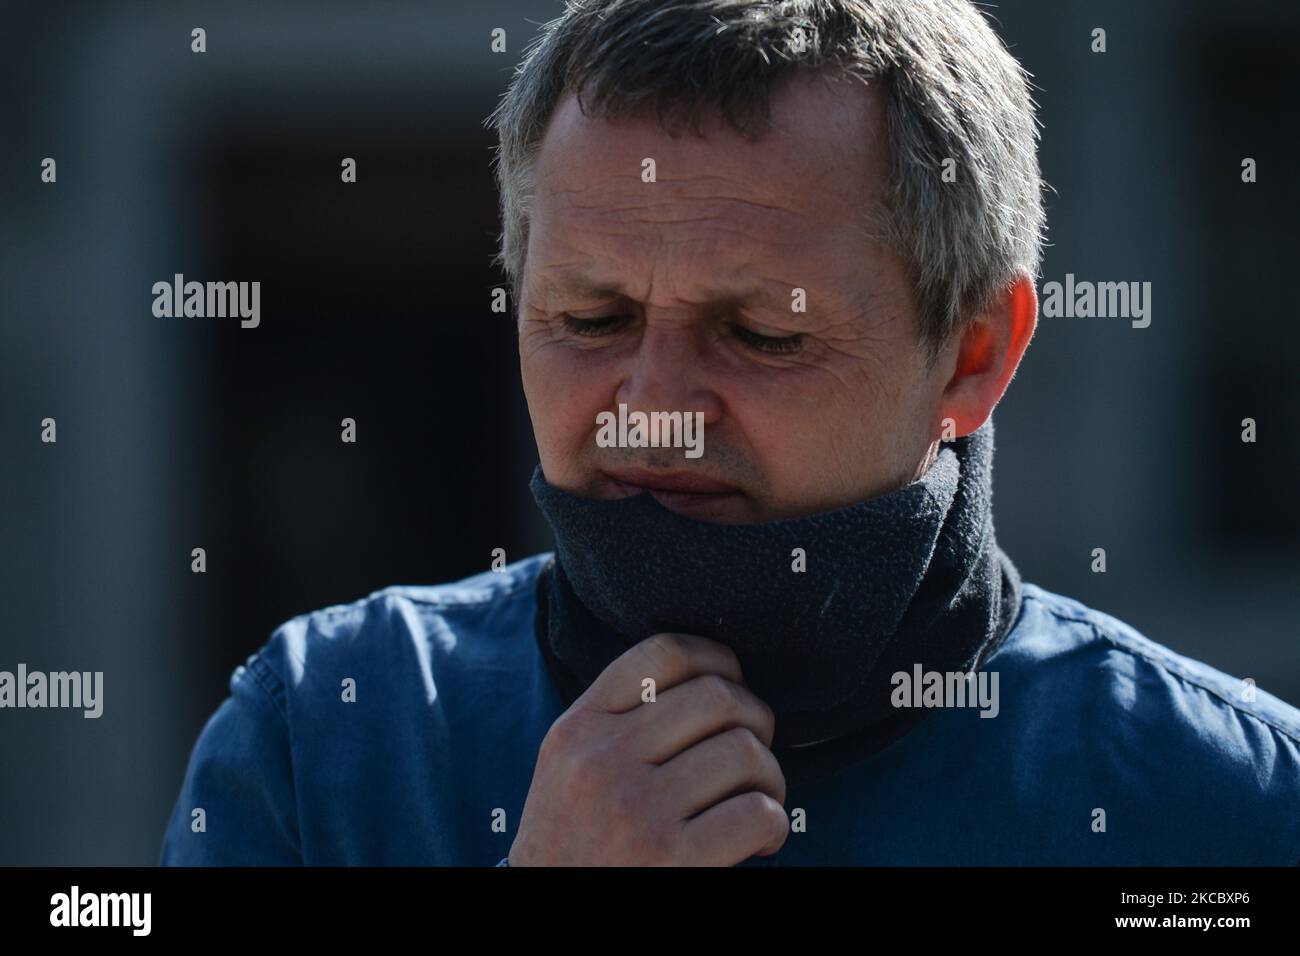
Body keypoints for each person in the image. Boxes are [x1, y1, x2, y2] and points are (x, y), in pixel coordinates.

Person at [160, 0, 1300, 866]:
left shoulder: (1229, 803)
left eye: (760, 333)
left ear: (973, 354)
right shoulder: (322, 742)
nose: (652, 401)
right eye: (590, 318)